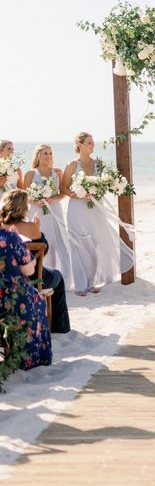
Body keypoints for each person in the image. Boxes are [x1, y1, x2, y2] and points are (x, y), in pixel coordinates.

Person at [61, 132, 134, 296]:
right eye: (89, 143)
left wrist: (105, 187)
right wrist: (79, 194)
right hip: (77, 210)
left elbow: (104, 184)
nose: (92, 145)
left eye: (93, 143)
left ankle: (92, 282)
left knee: (95, 244)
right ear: (79, 144)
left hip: (95, 209)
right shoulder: (72, 165)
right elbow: (64, 188)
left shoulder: (99, 163)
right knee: (79, 245)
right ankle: (80, 285)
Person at [0, 189, 71, 333]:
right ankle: (60, 328)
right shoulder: (31, 227)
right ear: (23, 208)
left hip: (4, 279)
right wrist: (37, 229)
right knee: (58, 276)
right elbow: (43, 252)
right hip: (32, 278)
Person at [0, 227, 52, 370]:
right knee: (38, 301)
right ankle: (32, 359)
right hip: (12, 297)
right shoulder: (9, 237)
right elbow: (29, 270)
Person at [23, 143, 73, 289]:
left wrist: (53, 199)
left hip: (55, 212)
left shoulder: (58, 172)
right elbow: (25, 197)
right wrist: (36, 201)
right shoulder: (31, 174)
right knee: (41, 243)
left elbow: (63, 193)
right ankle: (40, 278)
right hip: (38, 213)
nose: (48, 156)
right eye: (45, 153)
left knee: (60, 244)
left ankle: (64, 281)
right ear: (38, 155)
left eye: (50, 153)